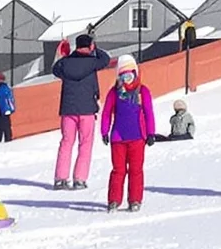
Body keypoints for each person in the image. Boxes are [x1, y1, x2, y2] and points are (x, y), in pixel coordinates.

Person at [52, 31, 114, 190]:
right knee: (85, 143)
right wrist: (96, 48)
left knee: (66, 143)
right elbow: (106, 59)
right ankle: (79, 179)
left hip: (68, 109)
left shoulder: (65, 63)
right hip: (87, 109)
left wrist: (64, 53)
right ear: (90, 46)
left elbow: (55, 69)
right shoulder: (93, 62)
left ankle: (60, 178)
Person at [99, 55, 154, 212]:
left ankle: (135, 200)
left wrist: (151, 132)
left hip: (138, 137)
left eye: (130, 74)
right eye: (123, 75)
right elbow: (106, 112)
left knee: (136, 170)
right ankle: (114, 200)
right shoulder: (114, 93)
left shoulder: (142, 91)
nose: (127, 79)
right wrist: (104, 130)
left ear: (135, 73)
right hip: (118, 138)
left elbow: (148, 113)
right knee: (118, 170)